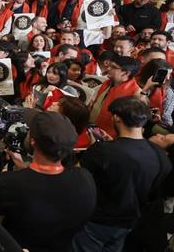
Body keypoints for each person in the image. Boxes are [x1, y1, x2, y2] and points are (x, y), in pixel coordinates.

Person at [72, 97, 172, 252]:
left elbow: (76, 177)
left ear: (117, 118)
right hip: (128, 224)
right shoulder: (160, 156)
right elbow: (154, 193)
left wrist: (96, 151)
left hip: (96, 221)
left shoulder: (102, 151)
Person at [0, 111, 96, 252]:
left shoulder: (7, 183)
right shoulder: (86, 178)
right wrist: (25, 172)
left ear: (33, 141)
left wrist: (17, 177)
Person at [88, 55, 144, 138]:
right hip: (92, 128)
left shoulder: (136, 93)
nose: (108, 68)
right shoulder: (107, 83)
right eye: (109, 65)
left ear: (126, 73)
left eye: (113, 67)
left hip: (109, 137)